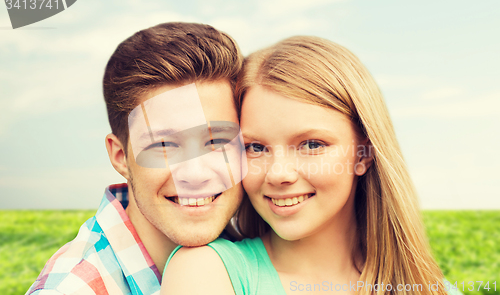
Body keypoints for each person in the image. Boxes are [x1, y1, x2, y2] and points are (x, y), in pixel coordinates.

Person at [162, 36, 461, 295]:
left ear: (364, 154)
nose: (279, 174)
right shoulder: (206, 273)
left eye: (312, 145)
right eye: (256, 148)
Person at [26, 22, 246, 295]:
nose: (195, 173)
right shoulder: (73, 289)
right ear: (120, 156)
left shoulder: (254, 247)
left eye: (216, 141)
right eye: (164, 144)